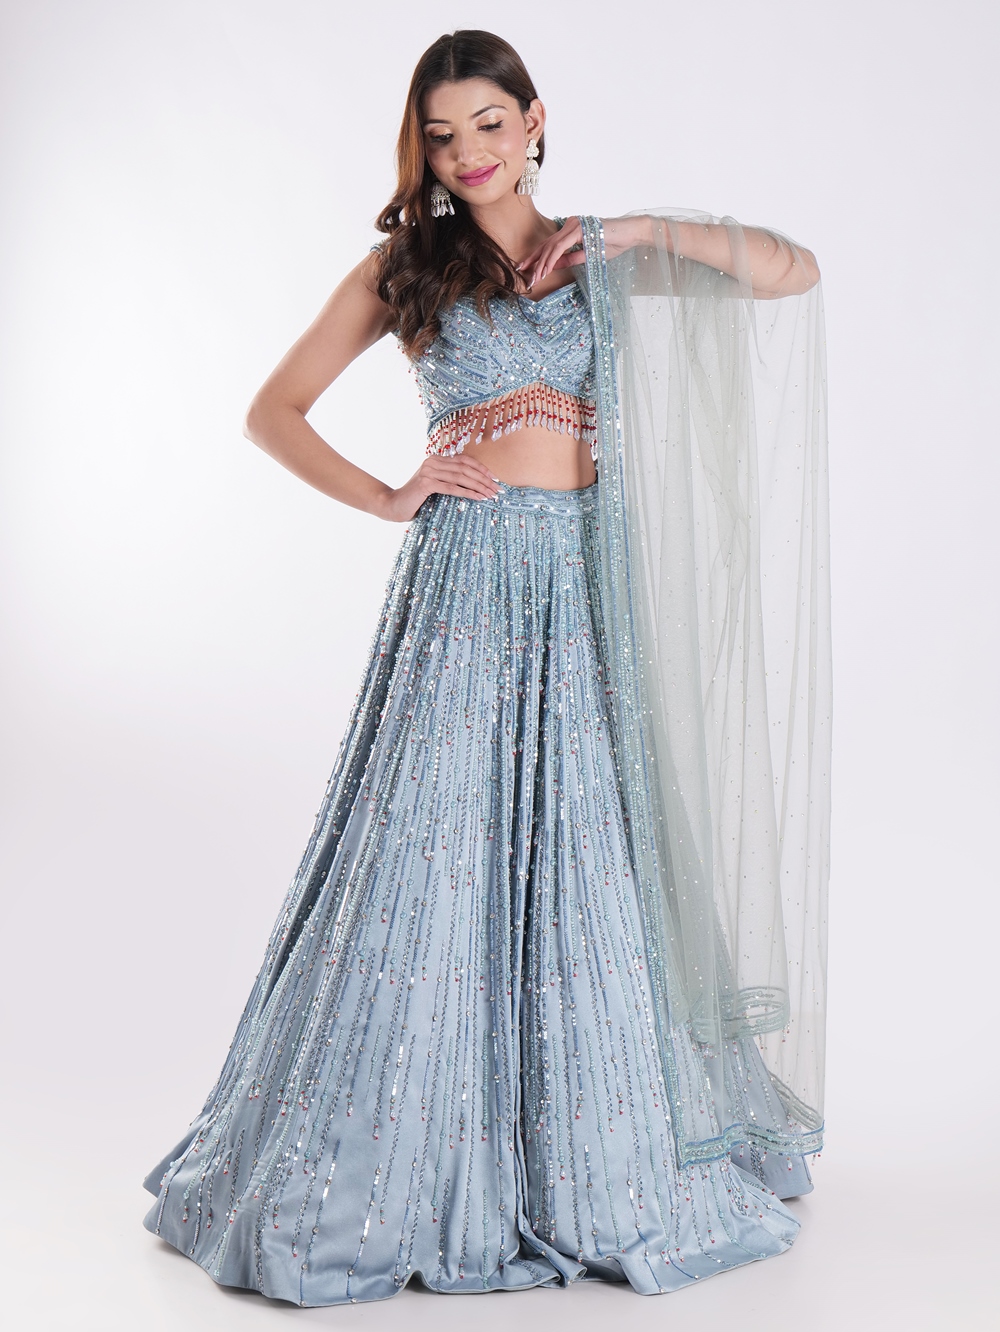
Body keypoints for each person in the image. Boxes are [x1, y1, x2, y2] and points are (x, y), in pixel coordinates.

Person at [142, 29, 831, 1308]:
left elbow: (791, 272)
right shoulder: (406, 264)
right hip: (464, 587)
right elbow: (271, 410)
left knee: (594, 853)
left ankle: (592, 1148)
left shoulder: (596, 257)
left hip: (582, 588)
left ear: (534, 119)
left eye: (488, 124)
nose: (467, 153)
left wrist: (632, 232)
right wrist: (389, 494)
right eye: (441, 134)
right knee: (431, 854)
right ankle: (401, 1163)